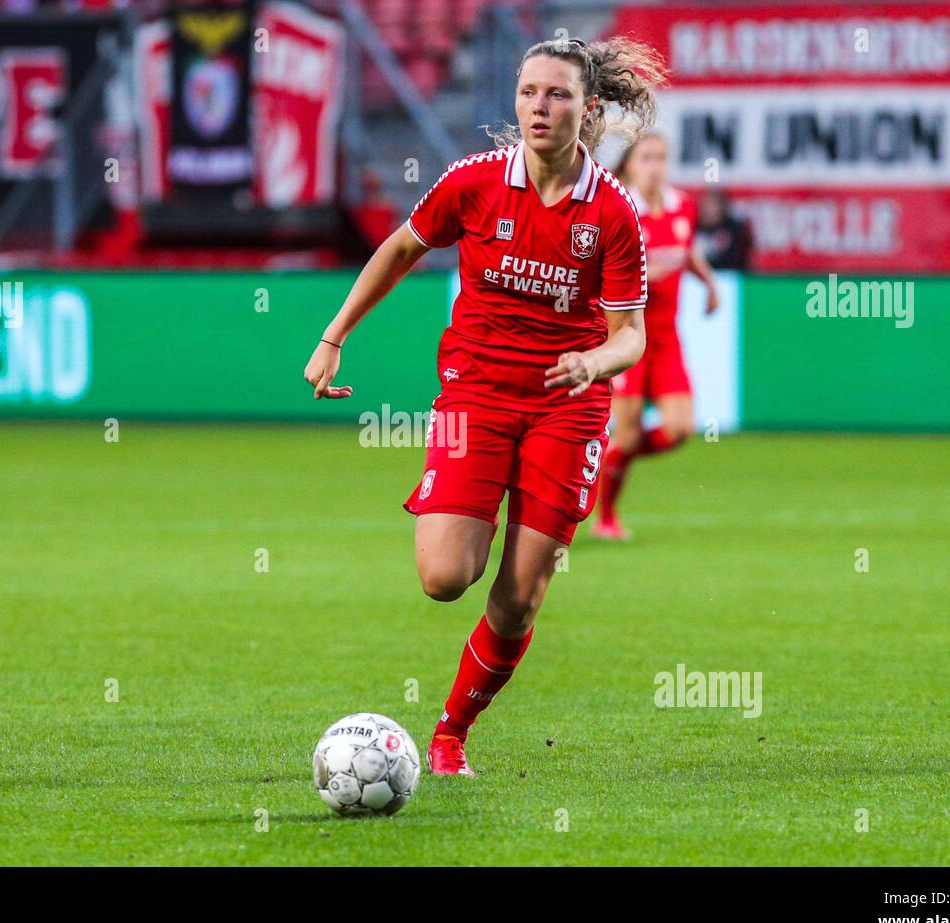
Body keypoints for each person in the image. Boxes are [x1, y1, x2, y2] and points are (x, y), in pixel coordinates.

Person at [303, 37, 663, 775]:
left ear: (587, 109)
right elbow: (401, 248)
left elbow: (632, 339)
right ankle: (482, 504)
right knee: (443, 578)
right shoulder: (473, 182)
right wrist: (335, 334)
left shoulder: (614, 213)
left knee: (519, 598)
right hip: (477, 395)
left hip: (568, 406)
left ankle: (449, 734)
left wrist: (592, 361)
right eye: (529, 91)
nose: (540, 106)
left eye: (558, 94)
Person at [595, 131, 720, 540]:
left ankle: (603, 462)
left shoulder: (682, 205)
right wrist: (644, 277)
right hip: (627, 336)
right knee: (627, 430)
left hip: (666, 338)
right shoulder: (618, 207)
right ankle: (606, 517)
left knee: (680, 427)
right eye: (647, 157)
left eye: (662, 157)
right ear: (630, 164)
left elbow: (686, 249)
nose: (655, 166)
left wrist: (709, 283)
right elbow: (598, 273)